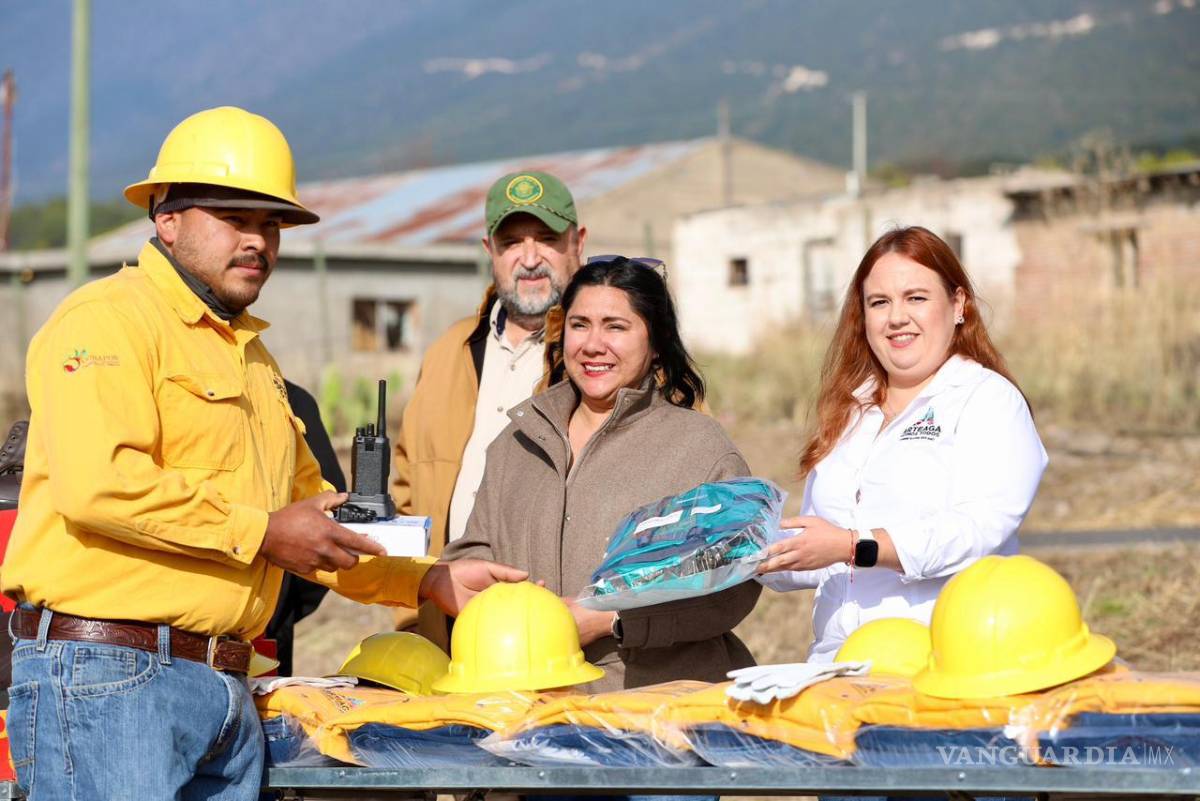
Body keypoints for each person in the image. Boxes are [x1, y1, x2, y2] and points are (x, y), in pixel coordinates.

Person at [1, 106, 524, 801]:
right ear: (167, 217)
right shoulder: (104, 322)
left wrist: (427, 580)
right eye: (235, 218)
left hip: (223, 685)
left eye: (272, 224)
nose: (258, 241)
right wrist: (264, 533)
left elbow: (320, 522)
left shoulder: (254, 359)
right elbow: (99, 484)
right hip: (108, 677)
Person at [443, 256, 761, 691]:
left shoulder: (700, 448)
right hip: (527, 711)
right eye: (580, 325)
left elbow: (734, 588)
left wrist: (614, 619)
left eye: (615, 326)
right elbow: (468, 560)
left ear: (655, 342)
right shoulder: (514, 443)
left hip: (655, 710)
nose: (593, 345)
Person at [757, 226, 1048, 661]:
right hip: (838, 664)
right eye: (880, 302)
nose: (896, 317)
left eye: (916, 298)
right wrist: (755, 553)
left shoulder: (987, 399)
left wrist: (856, 545)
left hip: (943, 660)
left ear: (958, 305)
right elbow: (826, 551)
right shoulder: (850, 411)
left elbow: (978, 530)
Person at [391, 170, 586, 646]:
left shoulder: (608, 352)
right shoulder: (449, 351)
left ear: (577, 243)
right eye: (512, 242)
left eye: (546, 239)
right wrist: (415, 618)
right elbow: (407, 494)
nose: (530, 258)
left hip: (565, 636)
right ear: (489, 251)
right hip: (452, 629)